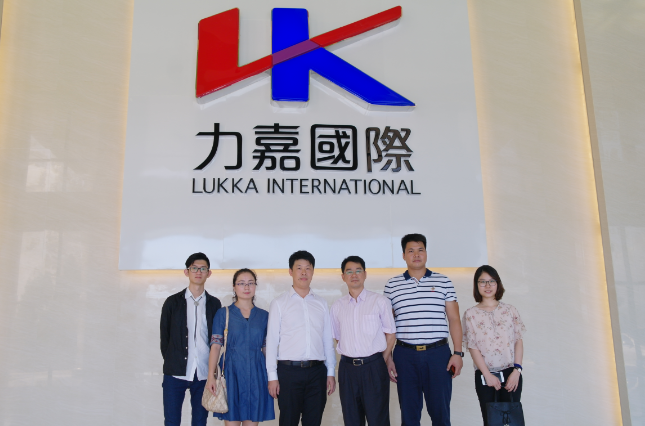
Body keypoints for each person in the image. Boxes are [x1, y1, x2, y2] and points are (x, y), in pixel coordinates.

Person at [384, 234, 465, 426]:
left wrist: (458, 353)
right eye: (411, 251)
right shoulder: (392, 285)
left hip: (438, 355)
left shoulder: (444, 282)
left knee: (441, 414)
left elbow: (454, 319)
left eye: (420, 250)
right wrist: (388, 357)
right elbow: (387, 325)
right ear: (403, 255)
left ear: (426, 253)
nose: (416, 255)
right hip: (405, 356)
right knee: (409, 416)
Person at [265, 250, 336, 426]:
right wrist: (272, 376)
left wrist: (330, 372)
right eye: (299, 268)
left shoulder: (321, 303)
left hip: (317, 372)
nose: (304, 272)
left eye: (308, 268)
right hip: (288, 372)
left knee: (314, 421)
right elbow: (272, 342)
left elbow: (327, 340)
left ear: (313, 271)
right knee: (288, 421)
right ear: (291, 271)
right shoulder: (279, 303)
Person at [330, 255, 396, 426]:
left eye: (358, 270)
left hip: (374, 367)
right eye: (349, 271)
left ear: (365, 274)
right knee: (352, 420)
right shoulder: (337, 306)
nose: (354, 275)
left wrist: (381, 360)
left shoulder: (380, 301)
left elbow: (391, 334)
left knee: (378, 420)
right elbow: (338, 337)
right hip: (347, 370)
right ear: (343, 277)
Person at [206, 268, 275, 425]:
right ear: (234, 286)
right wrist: (211, 376)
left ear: (255, 286)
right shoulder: (223, 313)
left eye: (251, 283)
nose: (246, 287)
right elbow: (215, 347)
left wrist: (273, 377)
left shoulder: (264, 316)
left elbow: (267, 349)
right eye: (241, 283)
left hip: (257, 372)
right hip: (231, 372)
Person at [160, 252, 222, 426]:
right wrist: (174, 360)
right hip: (175, 373)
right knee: (171, 421)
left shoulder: (214, 304)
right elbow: (165, 338)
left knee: (200, 422)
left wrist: (212, 371)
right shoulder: (172, 302)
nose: (198, 272)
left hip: (203, 373)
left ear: (209, 273)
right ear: (186, 272)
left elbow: (216, 339)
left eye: (203, 269)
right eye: (194, 268)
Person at [462, 265, 526, 426]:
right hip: (485, 376)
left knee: (512, 421)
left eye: (492, 281)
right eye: (482, 281)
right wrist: (487, 375)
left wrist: (517, 371)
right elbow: (473, 347)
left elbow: (518, 340)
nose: (488, 285)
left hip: (511, 373)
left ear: (498, 283)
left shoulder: (510, 310)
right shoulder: (471, 314)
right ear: (476, 285)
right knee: (491, 421)